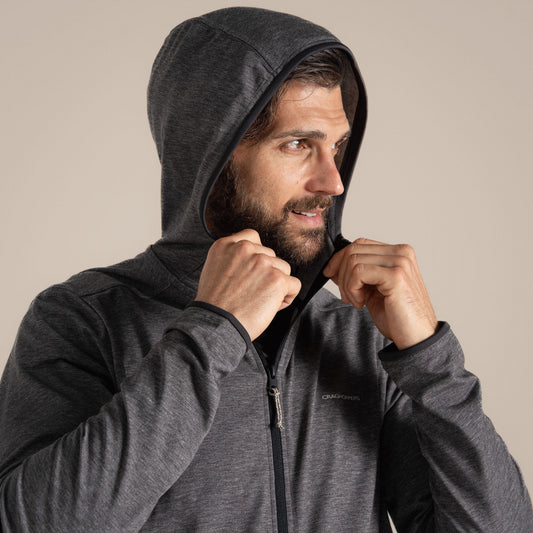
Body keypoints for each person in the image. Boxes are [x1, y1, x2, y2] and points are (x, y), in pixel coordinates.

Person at [0, 6, 531, 532]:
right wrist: (212, 333)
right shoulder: (84, 318)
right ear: (212, 155)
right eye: (298, 144)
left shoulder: (358, 334)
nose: (332, 181)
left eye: (337, 146)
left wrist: (430, 362)